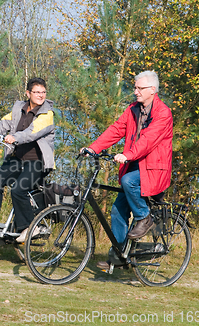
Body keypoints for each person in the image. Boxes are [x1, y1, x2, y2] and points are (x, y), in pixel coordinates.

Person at [81, 70, 173, 270]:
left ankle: (144, 217)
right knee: (117, 210)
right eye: (135, 87)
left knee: (128, 181)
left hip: (154, 168)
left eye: (139, 88)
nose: (135, 92)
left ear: (152, 90)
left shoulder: (163, 113)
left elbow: (148, 140)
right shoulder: (133, 109)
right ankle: (120, 255)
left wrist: (128, 155)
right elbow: (116, 130)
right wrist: (94, 148)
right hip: (136, 165)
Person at [0, 77, 55, 243]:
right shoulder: (18, 108)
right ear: (28, 93)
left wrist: (14, 137)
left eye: (43, 92)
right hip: (18, 158)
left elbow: (32, 132)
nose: (41, 95)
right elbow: (2, 124)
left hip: (37, 162)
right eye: (37, 92)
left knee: (18, 190)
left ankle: (28, 228)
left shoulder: (47, 113)